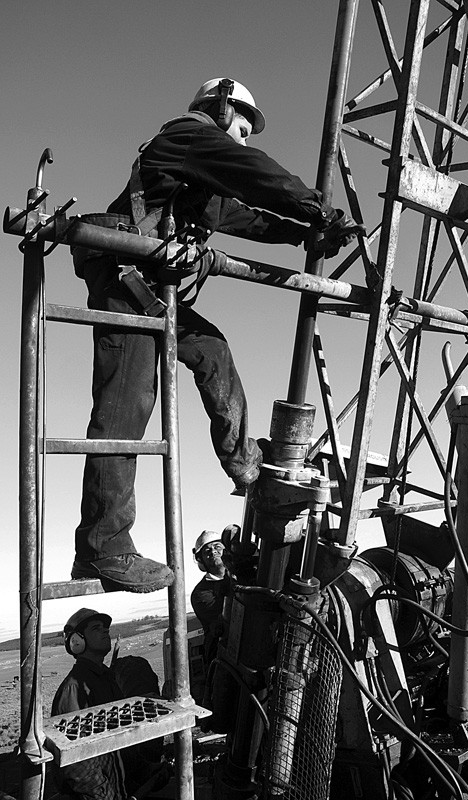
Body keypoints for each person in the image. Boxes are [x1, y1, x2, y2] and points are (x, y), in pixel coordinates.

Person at [71, 77, 361, 593]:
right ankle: (102, 547)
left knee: (212, 353)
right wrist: (317, 208)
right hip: (124, 277)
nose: (243, 141)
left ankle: (247, 467)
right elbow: (253, 174)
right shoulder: (188, 136)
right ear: (221, 107)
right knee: (125, 405)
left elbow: (242, 216)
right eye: (242, 127)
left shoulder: (195, 181)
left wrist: (303, 234)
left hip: (147, 286)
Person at [51, 608, 165, 800]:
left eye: (105, 627)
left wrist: (146, 770)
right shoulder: (74, 689)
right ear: (76, 642)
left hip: (118, 787)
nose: (105, 631)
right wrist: (105, 794)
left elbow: (121, 737)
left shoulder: (107, 679)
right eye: (96, 628)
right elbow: (74, 762)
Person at [190, 530, 231, 669]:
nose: (213, 551)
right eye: (207, 550)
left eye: (217, 546)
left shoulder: (237, 575)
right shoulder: (200, 594)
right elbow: (227, 616)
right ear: (201, 559)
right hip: (222, 658)